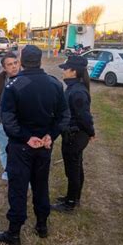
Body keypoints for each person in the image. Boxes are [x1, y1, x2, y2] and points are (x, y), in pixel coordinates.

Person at [0, 45, 70, 245]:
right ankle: (42, 226)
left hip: (22, 147)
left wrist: (27, 137)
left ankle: (14, 233)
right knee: (40, 185)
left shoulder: (14, 85)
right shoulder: (54, 83)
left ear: (22, 60)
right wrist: (50, 135)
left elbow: (7, 118)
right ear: (40, 60)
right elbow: (64, 115)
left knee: (18, 189)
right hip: (43, 146)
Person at [52, 55, 95, 213]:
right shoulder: (74, 88)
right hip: (74, 135)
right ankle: (74, 197)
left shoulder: (77, 92)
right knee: (76, 167)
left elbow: (84, 116)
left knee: (73, 170)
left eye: (66, 69)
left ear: (74, 72)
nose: (63, 72)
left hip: (75, 136)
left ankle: (70, 203)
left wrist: (91, 132)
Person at [0, 52, 21, 181]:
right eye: (10, 64)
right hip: (1, 124)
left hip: (19, 124)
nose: (14, 66)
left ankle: (20, 174)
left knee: (19, 151)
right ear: (4, 67)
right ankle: (8, 173)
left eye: (15, 63)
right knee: (4, 149)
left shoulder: (25, 78)